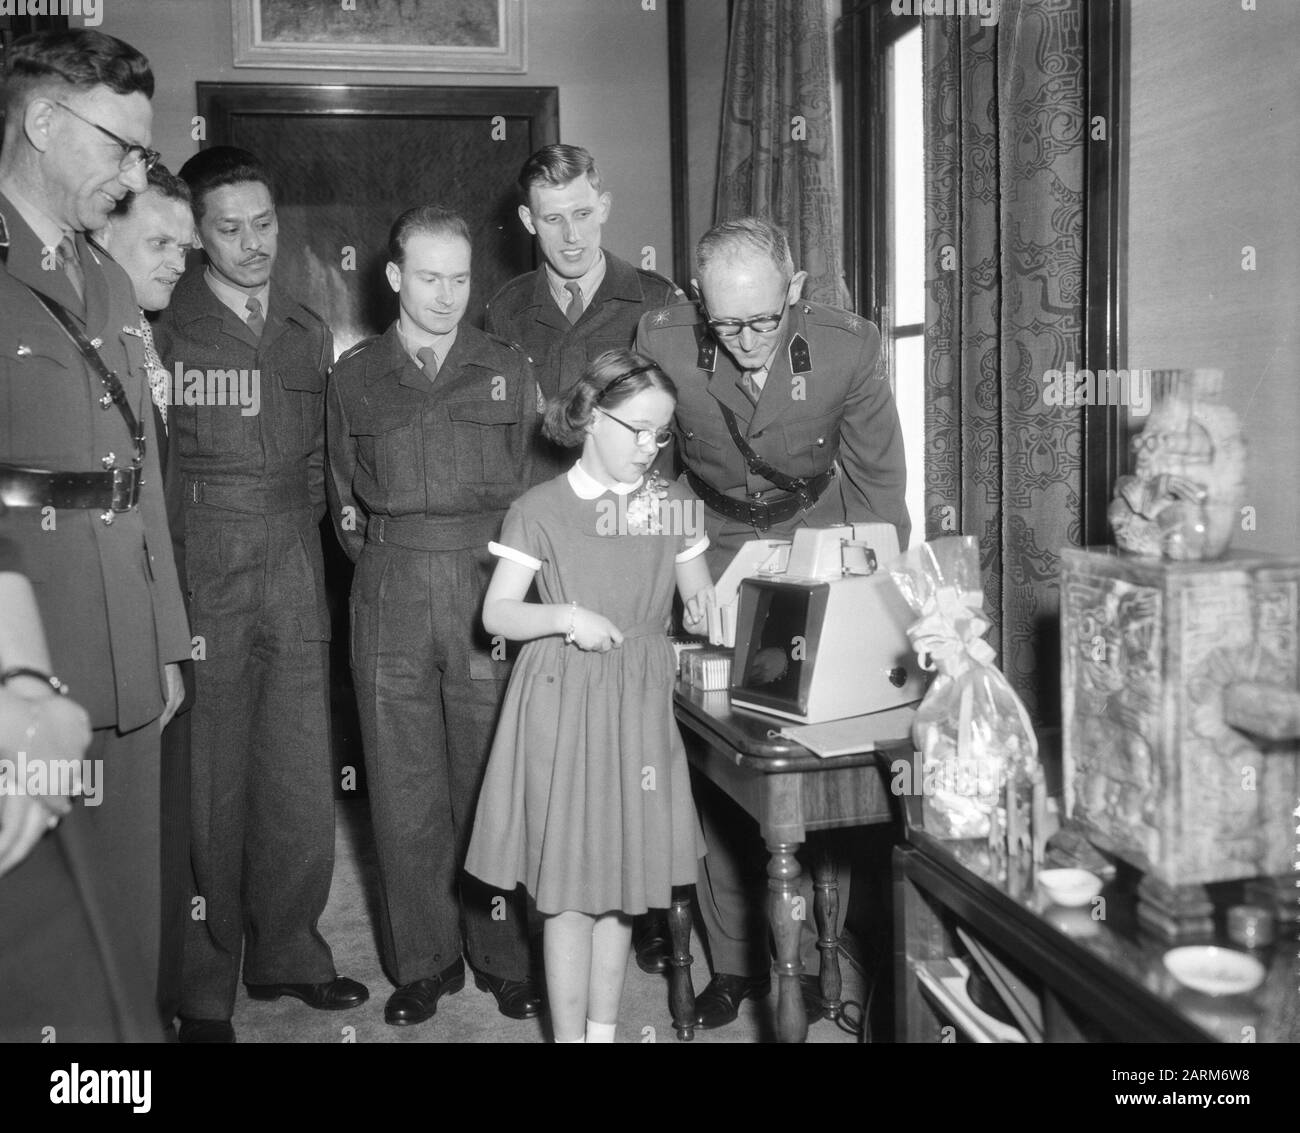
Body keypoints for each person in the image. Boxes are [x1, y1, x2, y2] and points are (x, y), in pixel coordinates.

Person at [635, 216, 909, 1031]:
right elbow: (647, 470)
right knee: (719, 749)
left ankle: (824, 952)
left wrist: (872, 603)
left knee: (814, 747)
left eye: (764, 319)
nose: (747, 340)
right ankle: (732, 961)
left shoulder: (848, 347)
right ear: (696, 303)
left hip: (815, 537)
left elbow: (879, 484)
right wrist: (680, 567)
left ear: (794, 291)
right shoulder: (663, 339)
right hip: (709, 545)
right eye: (726, 323)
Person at [0, 28, 189, 1041]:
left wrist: (164, 637)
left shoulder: (108, 282)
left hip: (120, 635)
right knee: (33, 933)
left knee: (125, 916)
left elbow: (138, 472)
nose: (131, 176)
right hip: (26, 644)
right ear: (40, 120)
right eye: (118, 147)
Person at [156, 145, 367, 1043]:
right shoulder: (164, 321)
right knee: (209, 779)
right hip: (206, 556)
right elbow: (155, 473)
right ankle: (203, 987)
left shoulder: (306, 326)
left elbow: (324, 464)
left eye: (264, 224)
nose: (252, 245)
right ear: (197, 234)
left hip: (293, 557)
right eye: (229, 229)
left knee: (295, 770)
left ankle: (290, 952)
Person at [326, 205, 542, 1027]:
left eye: (459, 277)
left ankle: (505, 956)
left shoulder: (507, 367)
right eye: (428, 276)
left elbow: (534, 484)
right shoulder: (355, 376)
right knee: (401, 780)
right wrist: (393, 564)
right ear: (393, 277)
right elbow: (341, 502)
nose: (446, 294)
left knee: (492, 778)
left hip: (489, 581)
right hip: (388, 582)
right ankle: (424, 960)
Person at [464, 349, 713, 1042]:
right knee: (570, 897)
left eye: (660, 433)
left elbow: (698, 599)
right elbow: (498, 614)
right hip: (563, 701)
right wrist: (567, 616)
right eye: (635, 428)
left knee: (623, 887)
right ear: (590, 417)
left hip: (638, 700)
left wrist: (704, 609)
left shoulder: (672, 506)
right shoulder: (539, 509)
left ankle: (603, 1036)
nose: (649, 447)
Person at [485, 143, 684, 971]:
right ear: (529, 221)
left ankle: (634, 905)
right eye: (550, 218)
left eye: (582, 212)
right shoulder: (501, 308)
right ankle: (543, 925)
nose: (570, 234)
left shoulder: (660, 300)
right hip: (539, 543)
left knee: (636, 750)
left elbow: (677, 437)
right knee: (549, 758)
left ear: (603, 205)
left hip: (628, 550)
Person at [96, 162, 196, 1026]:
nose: (178, 260)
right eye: (158, 242)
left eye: (181, 244)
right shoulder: (92, 335)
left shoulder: (145, 338)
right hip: (97, 627)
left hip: (153, 621)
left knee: (155, 839)